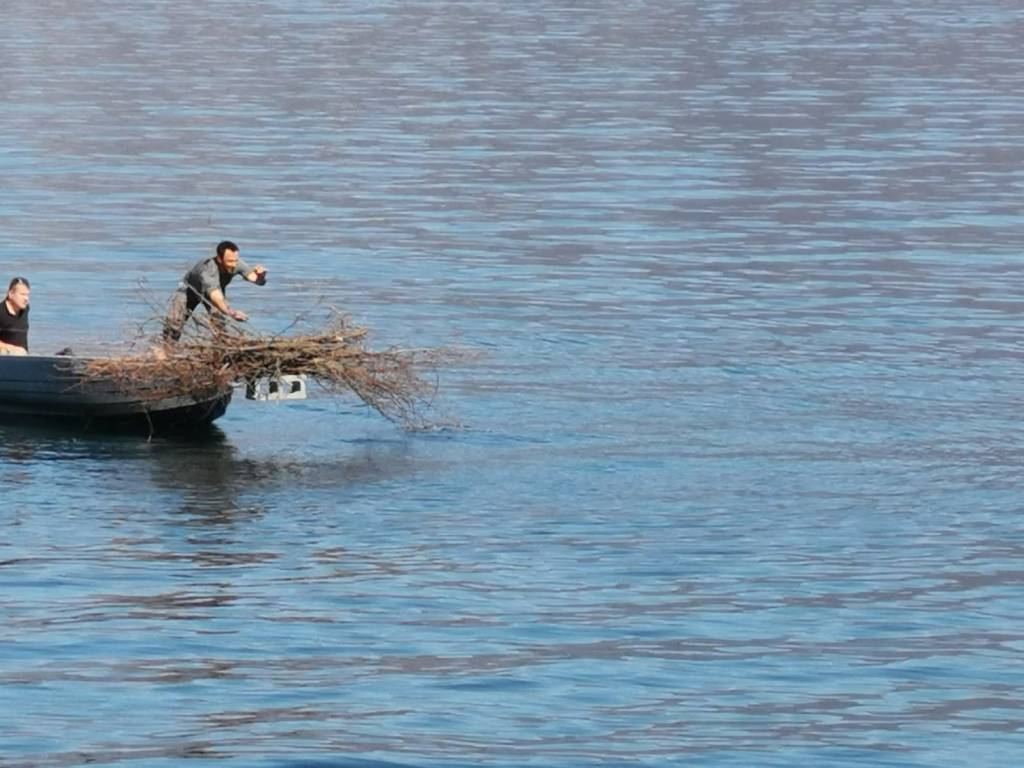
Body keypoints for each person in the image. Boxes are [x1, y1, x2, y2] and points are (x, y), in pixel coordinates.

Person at [162, 241, 267, 343]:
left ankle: (221, 352)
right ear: (220, 259)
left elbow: (255, 279)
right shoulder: (208, 270)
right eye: (230, 261)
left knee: (219, 324)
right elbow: (216, 297)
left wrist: (261, 277)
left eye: (235, 260)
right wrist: (232, 313)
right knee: (174, 324)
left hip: (215, 290)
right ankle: (166, 351)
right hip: (189, 290)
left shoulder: (236, 263)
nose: (234, 265)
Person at [0, 277, 30, 355]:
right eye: (22, 294)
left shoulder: (25, 309)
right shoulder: (1, 311)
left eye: (27, 295)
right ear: (11, 294)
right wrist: (12, 348)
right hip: (6, 358)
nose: (26, 298)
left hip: (24, 359)